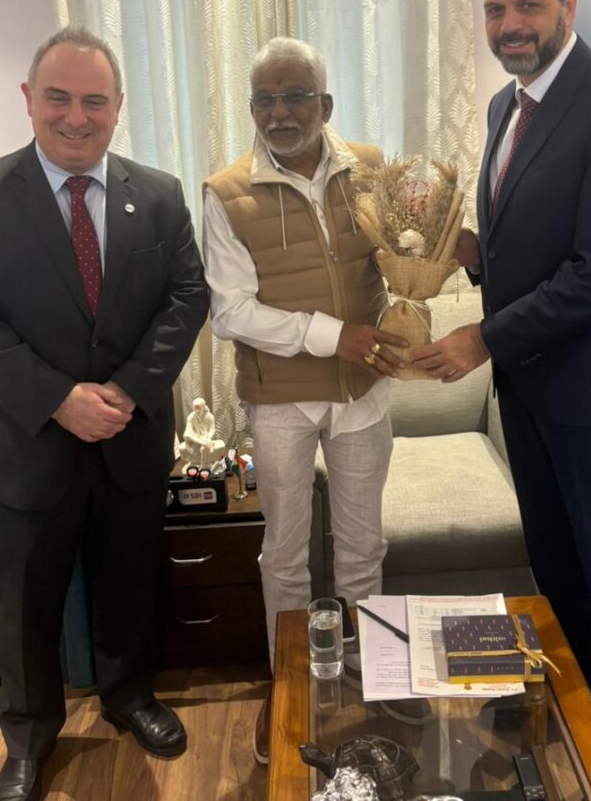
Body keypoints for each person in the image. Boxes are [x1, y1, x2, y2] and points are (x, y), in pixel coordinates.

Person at [412, 0, 591, 801]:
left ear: (568, 5)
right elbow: (533, 245)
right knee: (558, 574)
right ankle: (574, 715)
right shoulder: (505, 106)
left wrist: (482, 338)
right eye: (495, 10)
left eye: (527, 6)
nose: (510, 24)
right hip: (530, 392)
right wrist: (467, 250)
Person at [0, 27, 209, 801]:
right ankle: (27, 736)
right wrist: (60, 399)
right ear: (29, 99)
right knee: (26, 607)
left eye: (94, 100)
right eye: (58, 97)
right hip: (26, 446)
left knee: (130, 585)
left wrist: (126, 391)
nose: (76, 116)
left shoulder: (159, 194)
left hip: (129, 436)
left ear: (118, 106)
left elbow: (188, 296)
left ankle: (129, 696)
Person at [202, 37, 407, 764]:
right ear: (251, 107)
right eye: (264, 99)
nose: (280, 113)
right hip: (280, 401)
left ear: (326, 103)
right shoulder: (225, 192)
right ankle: (289, 686)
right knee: (285, 556)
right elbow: (231, 312)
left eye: (295, 96)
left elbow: (400, 255)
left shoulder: (372, 168)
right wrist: (332, 336)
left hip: (363, 395)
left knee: (363, 549)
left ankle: (369, 681)